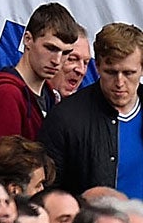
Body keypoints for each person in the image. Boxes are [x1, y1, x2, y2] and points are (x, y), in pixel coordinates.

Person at [41, 22, 143, 197]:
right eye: (111, 72)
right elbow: (47, 191)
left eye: (128, 73)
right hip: (91, 222)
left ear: (141, 69)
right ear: (97, 67)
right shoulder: (65, 118)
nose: (119, 82)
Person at [0, 3, 85, 159]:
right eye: (51, 48)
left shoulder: (49, 95)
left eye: (66, 53)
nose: (57, 60)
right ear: (28, 39)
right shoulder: (6, 94)